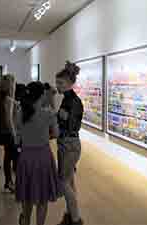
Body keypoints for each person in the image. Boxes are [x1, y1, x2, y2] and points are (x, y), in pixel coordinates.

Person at [16, 81, 60, 225]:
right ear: (42, 95)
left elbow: (18, 135)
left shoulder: (20, 112)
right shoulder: (47, 113)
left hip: (25, 157)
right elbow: (56, 133)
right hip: (43, 157)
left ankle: (25, 221)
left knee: (27, 197)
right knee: (42, 199)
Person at [56, 61, 84, 225]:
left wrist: (59, 119)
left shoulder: (73, 101)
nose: (57, 86)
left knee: (64, 182)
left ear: (70, 83)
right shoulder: (68, 100)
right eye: (57, 82)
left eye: (60, 83)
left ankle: (75, 219)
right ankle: (71, 214)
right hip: (67, 144)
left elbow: (71, 125)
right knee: (69, 181)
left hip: (69, 144)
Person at [0, 74, 17, 193]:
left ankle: (8, 182)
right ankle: (10, 183)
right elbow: (8, 119)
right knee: (11, 158)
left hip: (0, 132)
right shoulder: (9, 100)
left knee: (8, 158)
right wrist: (14, 134)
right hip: (7, 133)